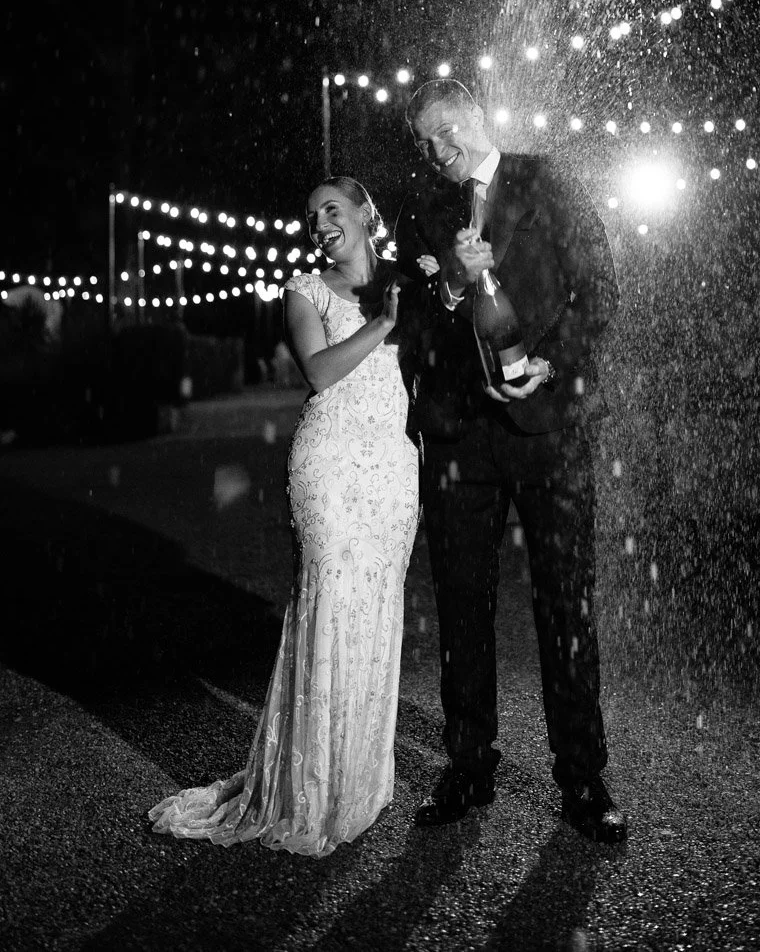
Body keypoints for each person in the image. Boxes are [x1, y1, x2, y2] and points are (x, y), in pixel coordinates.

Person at [149, 177, 419, 855]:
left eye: (333, 209)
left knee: (377, 609)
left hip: (392, 468)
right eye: (310, 215)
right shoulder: (305, 290)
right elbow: (320, 371)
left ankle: (358, 779)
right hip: (328, 467)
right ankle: (308, 787)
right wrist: (385, 322)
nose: (320, 222)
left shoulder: (407, 281)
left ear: (366, 214)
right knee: (327, 608)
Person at [394, 78, 626, 843]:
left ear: (478, 112)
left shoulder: (546, 179)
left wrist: (551, 365)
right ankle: (468, 765)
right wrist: (455, 286)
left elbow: (599, 291)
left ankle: (583, 779)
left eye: (448, 125)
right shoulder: (421, 214)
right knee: (462, 604)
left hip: (549, 428)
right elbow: (417, 334)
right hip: (462, 436)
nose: (440, 147)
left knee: (566, 604)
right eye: (426, 139)